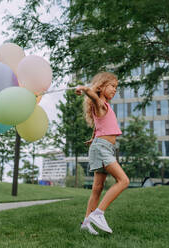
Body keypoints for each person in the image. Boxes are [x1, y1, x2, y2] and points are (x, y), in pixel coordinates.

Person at [75, 72, 130, 235]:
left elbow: (99, 126)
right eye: (112, 86)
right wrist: (85, 89)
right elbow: (93, 96)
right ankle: (98, 214)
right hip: (102, 148)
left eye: (116, 87)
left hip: (102, 147)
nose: (115, 90)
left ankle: (86, 222)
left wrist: (93, 139)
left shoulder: (104, 107)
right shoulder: (100, 103)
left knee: (97, 188)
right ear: (101, 86)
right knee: (124, 180)